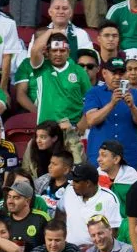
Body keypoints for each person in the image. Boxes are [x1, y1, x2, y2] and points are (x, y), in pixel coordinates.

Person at [28, 30, 91, 163]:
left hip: (70, 129)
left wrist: (81, 124)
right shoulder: (41, 67)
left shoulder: (79, 71)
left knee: (75, 168)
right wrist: (51, 30)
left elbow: (90, 101)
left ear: (68, 52)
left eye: (62, 51)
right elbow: (35, 50)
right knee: (43, 168)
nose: (58, 54)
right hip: (46, 131)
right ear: (47, 52)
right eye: (54, 50)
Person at [82, 57, 137, 170]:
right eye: (114, 73)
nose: (117, 77)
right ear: (104, 73)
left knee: (127, 187)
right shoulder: (94, 92)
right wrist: (111, 104)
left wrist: (132, 106)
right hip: (99, 155)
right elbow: (91, 120)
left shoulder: (136, 95)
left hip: (127, 155)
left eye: (121, 73)